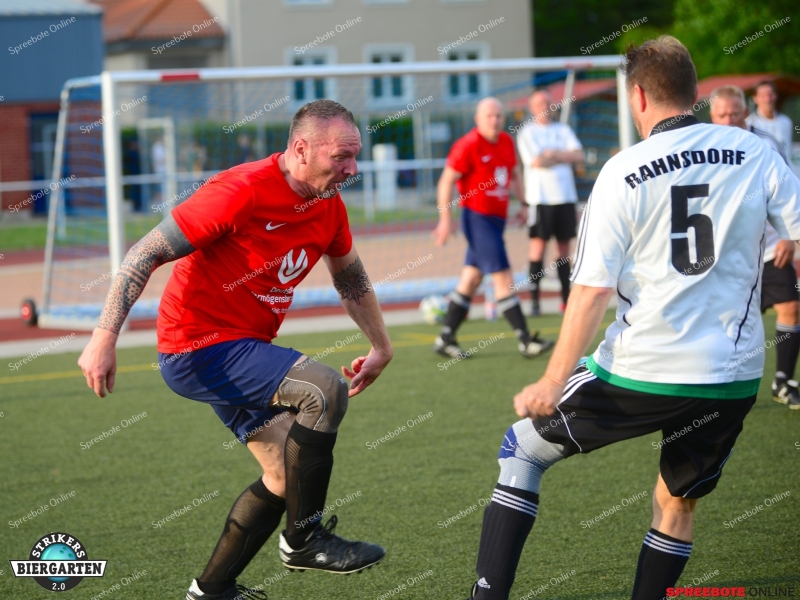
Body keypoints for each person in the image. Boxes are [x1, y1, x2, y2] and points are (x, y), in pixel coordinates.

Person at [464, 36, 800, 600]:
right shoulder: (757, 152)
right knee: (677, 501)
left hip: (641, 371)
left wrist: (552, 379)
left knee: (521, 448)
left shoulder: (623, 171)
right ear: (697, 94)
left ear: (637, 96)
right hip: (731, 377)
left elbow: (592, 290)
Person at [78, 100, 392, 600]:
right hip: (196, 347)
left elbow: (350, 275)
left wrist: (381, 344)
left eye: (356, 157)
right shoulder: (241, 189)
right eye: (342, 157)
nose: (352, 169)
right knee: (325, 388)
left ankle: (213, 588)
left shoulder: (328, 205)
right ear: (301, 148)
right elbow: (145, 252)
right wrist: (104, 336)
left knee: (284, 476)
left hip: (242, 348)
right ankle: (304, 539)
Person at [432, 97, 553, 359]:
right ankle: (525, 340)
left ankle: (445, 338)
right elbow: (446, 181)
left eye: (498, 115)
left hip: (497, 222)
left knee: (471, 279)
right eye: (489, 116)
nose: (495, 120)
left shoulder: (506, 143)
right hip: (477, 219)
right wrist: (445, 219)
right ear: (478, 119)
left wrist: (523, 203)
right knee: (503, 279)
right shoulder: (468, 145)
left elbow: (515, 174)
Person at [710, 84, 800, 409]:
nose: (730, 119)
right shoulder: (703, 147)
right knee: (722, 322)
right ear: (712, 115)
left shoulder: (766, 143)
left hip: (771, 246)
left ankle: (784, 381)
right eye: (722, 114)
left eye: (735, 112)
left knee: (791, 304)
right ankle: (713, 387)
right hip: (724, 253)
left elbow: (788, 189)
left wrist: (789, 235)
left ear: (745, 111)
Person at [516, 90, 584, 314]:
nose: (545, 106)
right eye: (539, 103)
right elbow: (536, 162)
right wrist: (562, 156)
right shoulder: (527, 132)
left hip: (565, 198)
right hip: (540, 200)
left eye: (547, 102)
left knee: (564, 249)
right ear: (532, 107)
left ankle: (566, 299)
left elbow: (578, 155)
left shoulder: (562, 130)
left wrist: (552, 154)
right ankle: (534, 301)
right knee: (538, 248)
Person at [745, 80, 794, 165]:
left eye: (770, 94)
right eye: (763, 95)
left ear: (776, 96)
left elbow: (788, 151)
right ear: (755, 98)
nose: (768, 99)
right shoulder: (749, 124)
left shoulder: (786, 121)